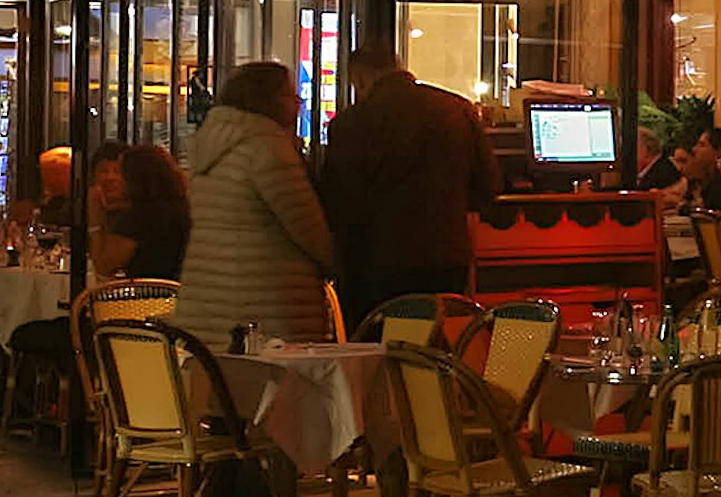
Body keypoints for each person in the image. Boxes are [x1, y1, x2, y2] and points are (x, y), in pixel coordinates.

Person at [316, 50, 497, 330]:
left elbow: (338, 200)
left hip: (375, 263)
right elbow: (488, 188)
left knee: (376, 355)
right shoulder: (457, 108)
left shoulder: (352, 123)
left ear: (360, 78)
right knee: (435, 348)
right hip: (445, 256)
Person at [173, 61, 337, 347]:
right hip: (265, 303)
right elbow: (306, 227)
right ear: (268, 100)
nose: (298, 102)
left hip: (207, 301)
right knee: (273, 389)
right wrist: (336, 264)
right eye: (290, 95)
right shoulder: (267, 148)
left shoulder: (211, 146)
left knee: (219, 386)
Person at [91, 142, 192, 282]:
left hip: (146, 299)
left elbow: (104, 267)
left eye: (121, 172)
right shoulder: (183, 208)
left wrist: (95, 220)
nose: (116, 179)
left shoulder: (138, 218)